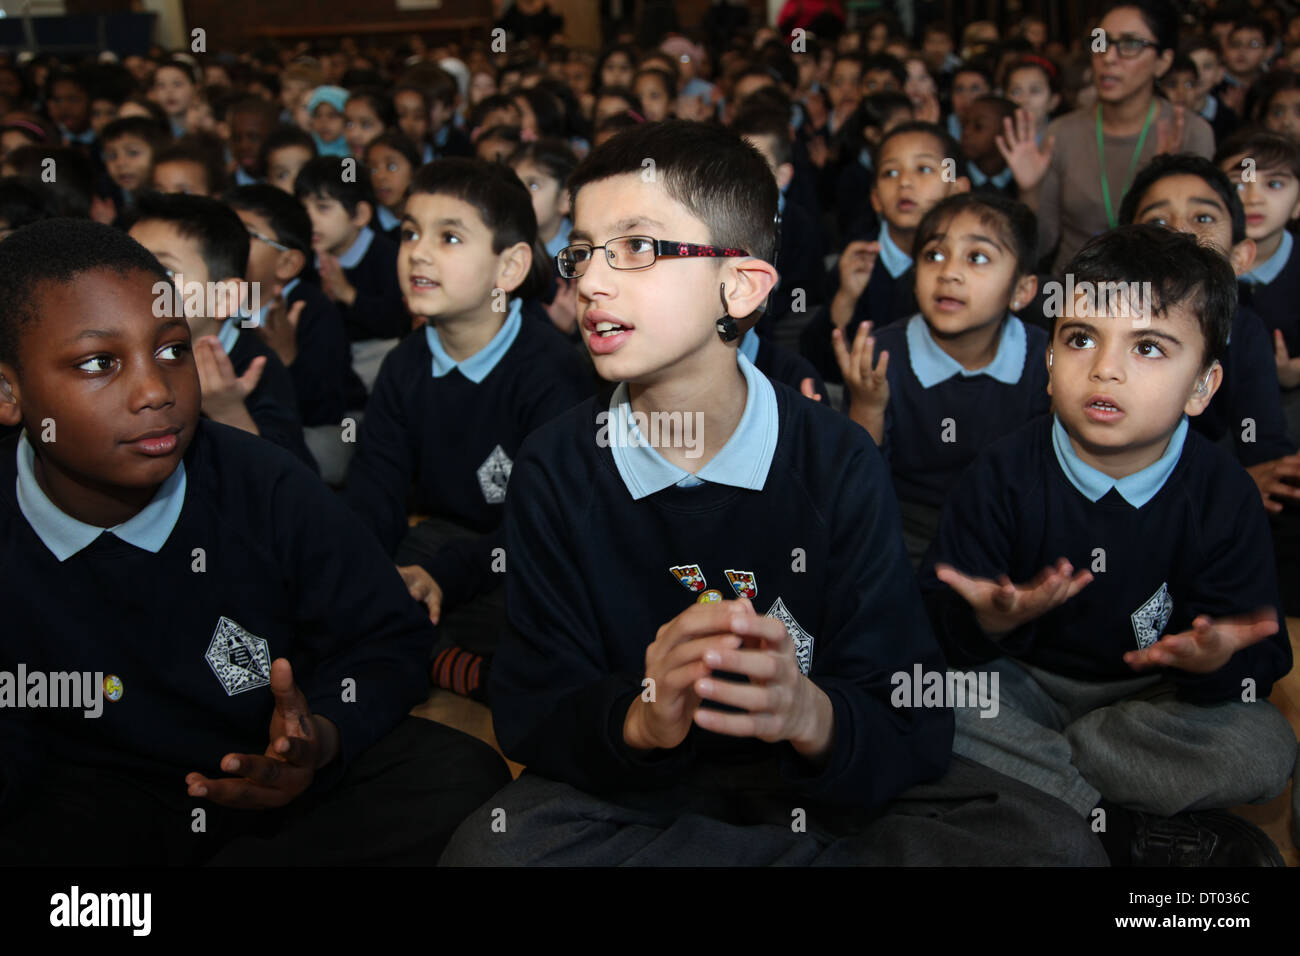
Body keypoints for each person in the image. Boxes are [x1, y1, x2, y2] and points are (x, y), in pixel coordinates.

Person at [440, 120, 1106, 866]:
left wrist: (807, 710)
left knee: (1052, 845)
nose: (590, 281)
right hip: (645, 795)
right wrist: (643, 718)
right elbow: (534, 712)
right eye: (583, 250)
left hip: (815, 790)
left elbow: (906, 716)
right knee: (491, 852)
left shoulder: (834, 459)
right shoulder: (558, 466)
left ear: (742, 285)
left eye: (637, 248)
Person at [0, 218, 510, 865]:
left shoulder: (261, 481)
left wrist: (320, 737)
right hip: (98, 796)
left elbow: (386, 636)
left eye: (172, 350)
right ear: (9, 392)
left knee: (459, 779)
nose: (155, 391)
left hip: (274, 782)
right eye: (100, 363)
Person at [919, 224, 1295, 865]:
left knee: (1265, 747)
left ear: (1202, 387)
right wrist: (982, 618)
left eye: (1148, 347)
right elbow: (934, 623)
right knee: (925, 699)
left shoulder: (1223, 493)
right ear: (1047, 363)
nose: (1105, 367)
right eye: (1081, 338)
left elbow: (1259, 657)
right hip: (1021, 686)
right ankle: (1121, 831)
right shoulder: (1001, 471)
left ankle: (1045, 797)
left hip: (1152, 702)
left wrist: (1214, 664)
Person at [343, 158, 591, 701]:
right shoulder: (405, 363)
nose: (419, 252)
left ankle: (445, 657)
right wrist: (360, 566)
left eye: (450, 237)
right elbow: (375, 485)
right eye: (410, 233)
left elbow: (543, 526)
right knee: (359, 574)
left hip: (531, 549)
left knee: (561, 610)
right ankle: (450, 660)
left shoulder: (549, 372)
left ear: (510, 268)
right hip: (448, 538)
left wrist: (443, 579)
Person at [836, 192, 1047, 562]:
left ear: (1021, 291)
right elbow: (861, 481)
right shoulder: (884, 354)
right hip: (907, 527)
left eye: (977, 257)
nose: (948, 272)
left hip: (1010, 528)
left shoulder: (1044, 360)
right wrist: (867, 405)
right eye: (934, 255)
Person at [998, 0, 1215, 274]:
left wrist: (1164, 174)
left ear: (1163, 62)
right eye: (1100, 42)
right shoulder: (1063, 133)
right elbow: (1040, 247)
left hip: (1155, 293)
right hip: (1074, 293)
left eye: (1130, 44)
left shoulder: (1190, 133)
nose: (1108, 57)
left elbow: (1194, 247)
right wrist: (1030, 190)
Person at [125, 191, 316, 472]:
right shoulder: (116, 351)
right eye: (125, 266)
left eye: (164, 271)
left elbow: (294, 481)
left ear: (224, 297)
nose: (132, 285)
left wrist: (229, 412)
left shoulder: (254, 367)